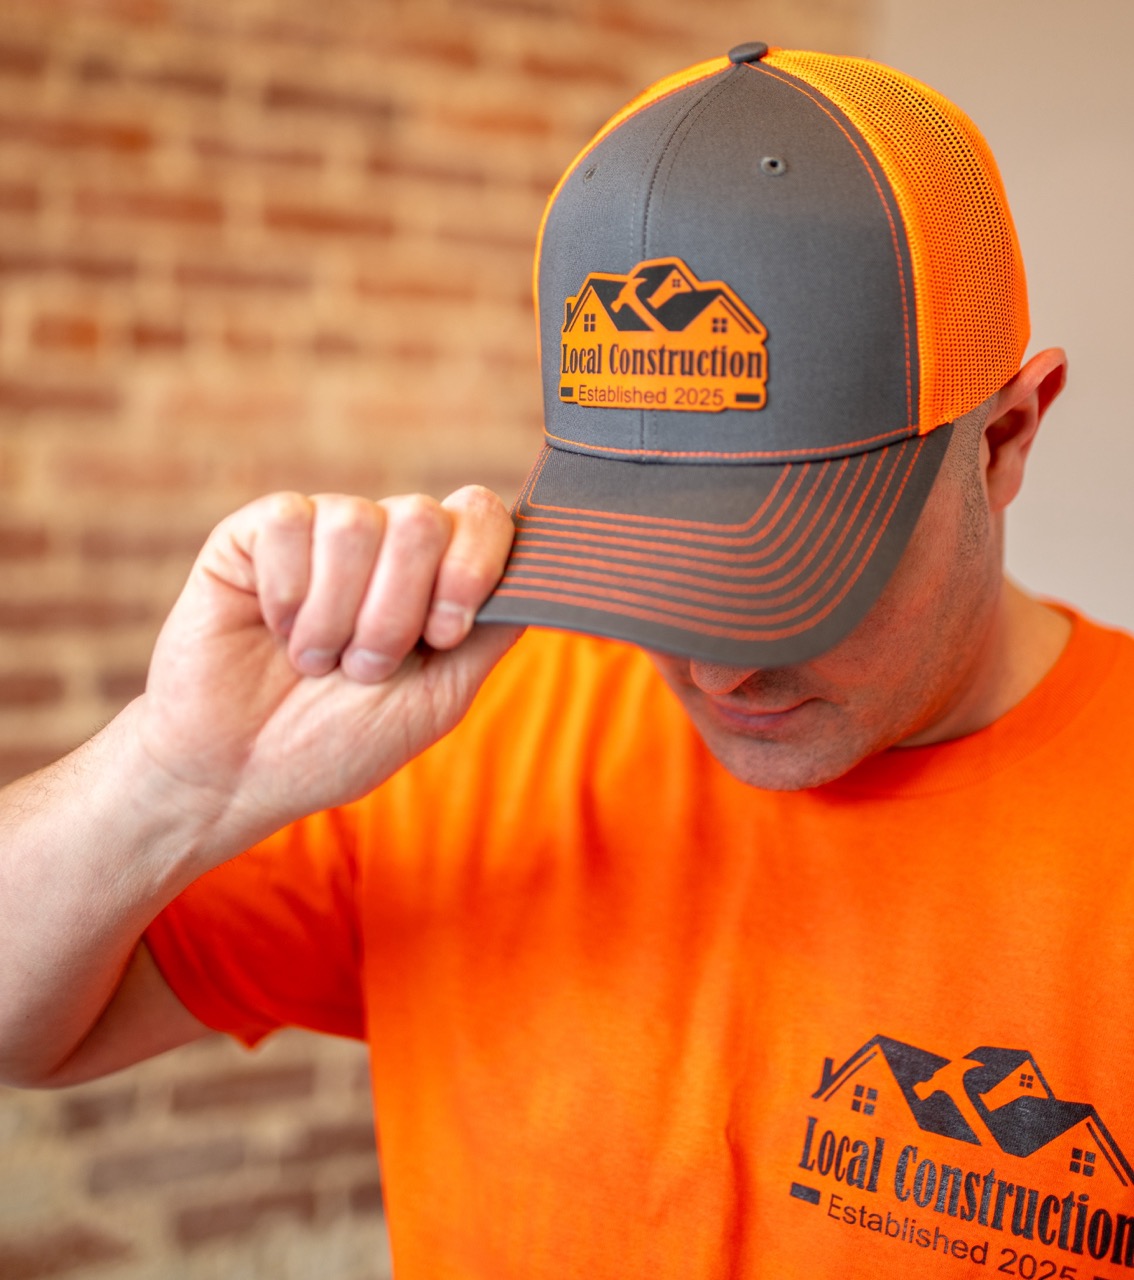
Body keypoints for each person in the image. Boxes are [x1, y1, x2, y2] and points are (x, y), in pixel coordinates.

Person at [2, 42, 1132, 1280]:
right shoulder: (464, 724)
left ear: (1005, 437)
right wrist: (175, 777)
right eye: (648, 556)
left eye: (791, 578)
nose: (714, 673)